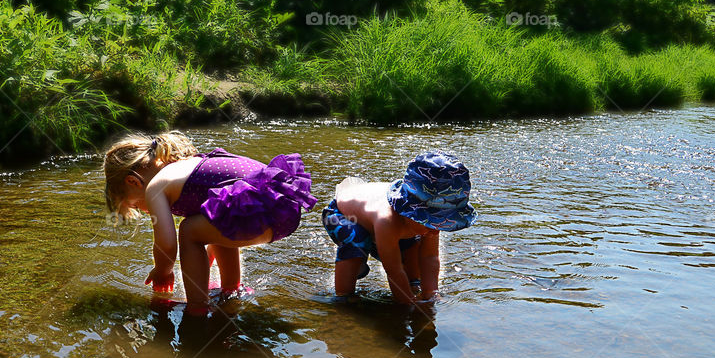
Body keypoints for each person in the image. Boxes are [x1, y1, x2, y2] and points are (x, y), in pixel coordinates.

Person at [104, 131, 317, 313]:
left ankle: (197, 307)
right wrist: (205, 258)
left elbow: (167, 245)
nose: (143, 208)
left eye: (135, 205)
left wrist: (163, 271)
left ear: (133, 181)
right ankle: (231, 289)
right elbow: (228, 215)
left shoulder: (156, 186)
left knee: (187, 231)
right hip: (285, 206)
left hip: (261, 210)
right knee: (216, 215)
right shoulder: (187, 167)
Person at [322, 151, 477, 304]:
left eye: (441, 223)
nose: (435, 230)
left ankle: (412, 283)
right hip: (342, 215)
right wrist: (407, 304)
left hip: (380, 217)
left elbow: (430, 257)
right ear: (410, 211)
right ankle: (343, 296)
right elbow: (394, 271)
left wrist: (431, 292)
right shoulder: (386, 220)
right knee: (356, 240)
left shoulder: (425, 223)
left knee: (414, 244)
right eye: (430, 222)